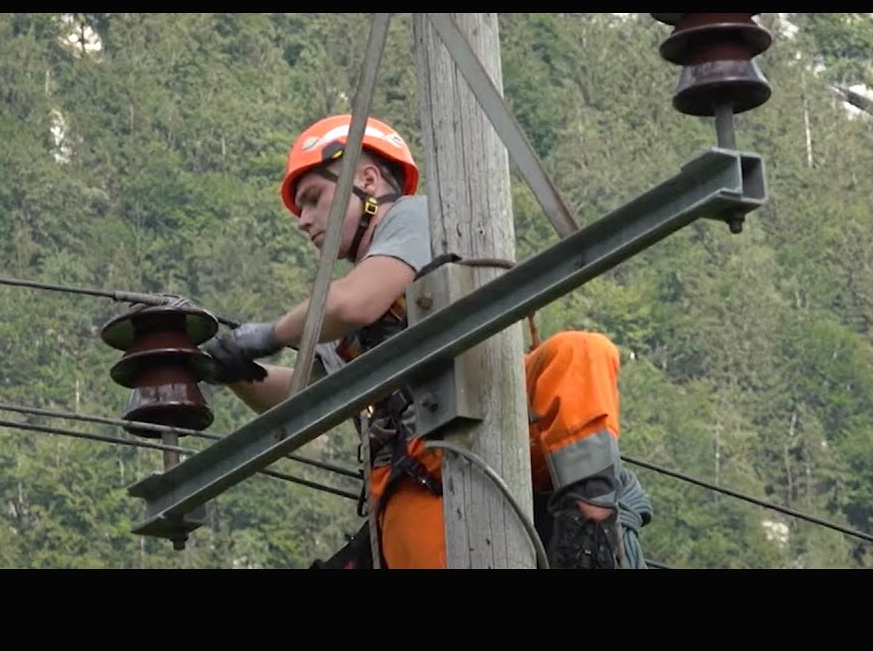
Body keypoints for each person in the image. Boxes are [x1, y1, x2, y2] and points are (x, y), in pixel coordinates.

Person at [200, 114, 652, 569]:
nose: (304, 220)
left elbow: (350, 304)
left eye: (314, 199)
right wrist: (239, 373)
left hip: (492, 417)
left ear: (367, 180)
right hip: (417, 471)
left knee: (578, 354)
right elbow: (303, 397)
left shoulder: (417, 219)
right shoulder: (357, 306)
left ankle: (589, 535)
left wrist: (265, 336)